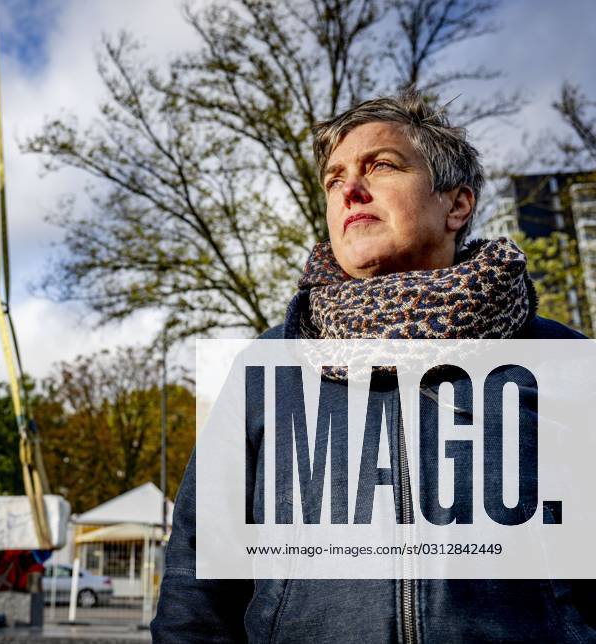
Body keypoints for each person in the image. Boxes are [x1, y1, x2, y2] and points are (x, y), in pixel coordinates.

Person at [151, 93, 594, 642]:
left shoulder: (567, 366)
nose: (350, 191)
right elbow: (197, 590)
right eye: (335, 180)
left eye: (381, 165)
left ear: (456, 205)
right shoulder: (267, 369)